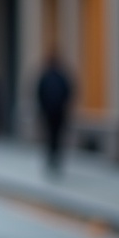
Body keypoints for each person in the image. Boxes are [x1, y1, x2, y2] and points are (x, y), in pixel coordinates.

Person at [35, 48, 74, 179]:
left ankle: (51, 158)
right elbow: (69, 91)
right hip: (59, 111)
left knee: (49, 135)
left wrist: (41, 108)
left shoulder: (45, 75)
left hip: (48, 112)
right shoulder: (62, 75)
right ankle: (56, 158)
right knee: (57, 135)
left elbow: (38, 93)